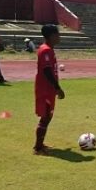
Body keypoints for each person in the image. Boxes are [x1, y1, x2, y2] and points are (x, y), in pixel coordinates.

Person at [33, 24, 65, 155]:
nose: (59, 37)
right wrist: (58, 88)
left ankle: (40, 145)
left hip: (48, 90)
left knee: (47, 117)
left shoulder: (48, 49)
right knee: (45, 118)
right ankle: (38, 148)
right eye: (58, 34)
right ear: (52, 36)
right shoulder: (45, 50)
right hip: (45, 90)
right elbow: (47, 71)